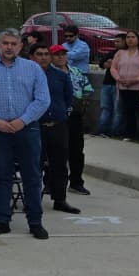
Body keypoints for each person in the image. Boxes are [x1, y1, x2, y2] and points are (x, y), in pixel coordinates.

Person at [0, 29, 52, 239]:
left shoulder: (33, 68)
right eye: (5, 43)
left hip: (27, 128)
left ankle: (35, 222)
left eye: (13, 43)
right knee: (1, 174)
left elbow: (43, 99)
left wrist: (22, 120)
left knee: (32, 176)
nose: (9, 47)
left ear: (21, 46)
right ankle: (2, 220)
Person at [32, 45, 81, 215]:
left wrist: (61, 113)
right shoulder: (27, 75)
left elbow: (68, 98)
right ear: (32, 57)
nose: (43, 57)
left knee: (60, 164)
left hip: (58, 125)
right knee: (35, 164)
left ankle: (60, 199)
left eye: (46, 54)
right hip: (36, 126)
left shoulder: (60, 76)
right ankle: (33, 200)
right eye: (39, 54)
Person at [53, 45, 94, 194]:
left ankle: (76, 182)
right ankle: (52, 182)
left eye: (63, 54)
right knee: (56, 151)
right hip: (56, 115)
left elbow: (88, 89)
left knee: (77, 150)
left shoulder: (76, 71)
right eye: (57, 54)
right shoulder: (48, 73)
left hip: (75, 115)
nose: (60, 57)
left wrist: (82, 103)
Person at [110, 30, 139, 141]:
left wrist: (136, 79)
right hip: (124, 86)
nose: (130, 39)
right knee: (128, 111)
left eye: (133, 37)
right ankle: (129, 134)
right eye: (128, 37)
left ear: (138, 39)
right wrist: (118, 78)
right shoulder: (120, 53)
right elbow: (113, 68)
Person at [98, 35, 125, 136]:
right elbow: (101, 63)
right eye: (115, 41)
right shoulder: (112, 53)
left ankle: (114, 131)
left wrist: (113, 63)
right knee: (106, 108)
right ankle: (102, 130)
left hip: (118, 84)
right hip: (107, 83)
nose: (115, 43)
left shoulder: (127, 54)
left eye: (118, 41)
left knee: (117, 109)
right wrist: (107, 64)